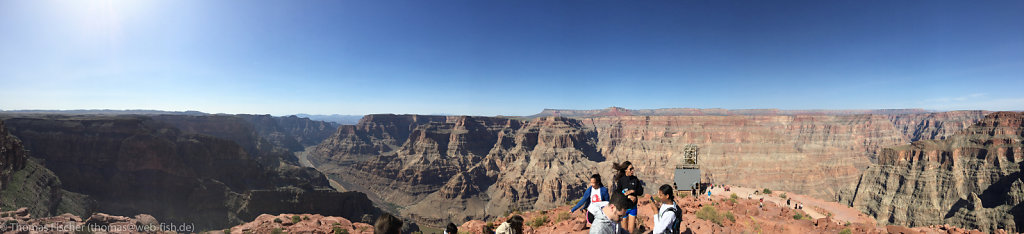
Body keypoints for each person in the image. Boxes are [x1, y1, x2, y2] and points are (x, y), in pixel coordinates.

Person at [612, 161, 643, 234]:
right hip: (624, 208)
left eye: (633, 168)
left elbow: (641, 192)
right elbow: (617, 193)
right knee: (624, 231)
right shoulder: (621, 180)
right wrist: (626, 194)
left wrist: (633, 191)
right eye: (630, 169)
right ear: (626, 170)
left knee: (631, 231)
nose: (632, 170)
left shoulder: (635, 179)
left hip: (633, 207)